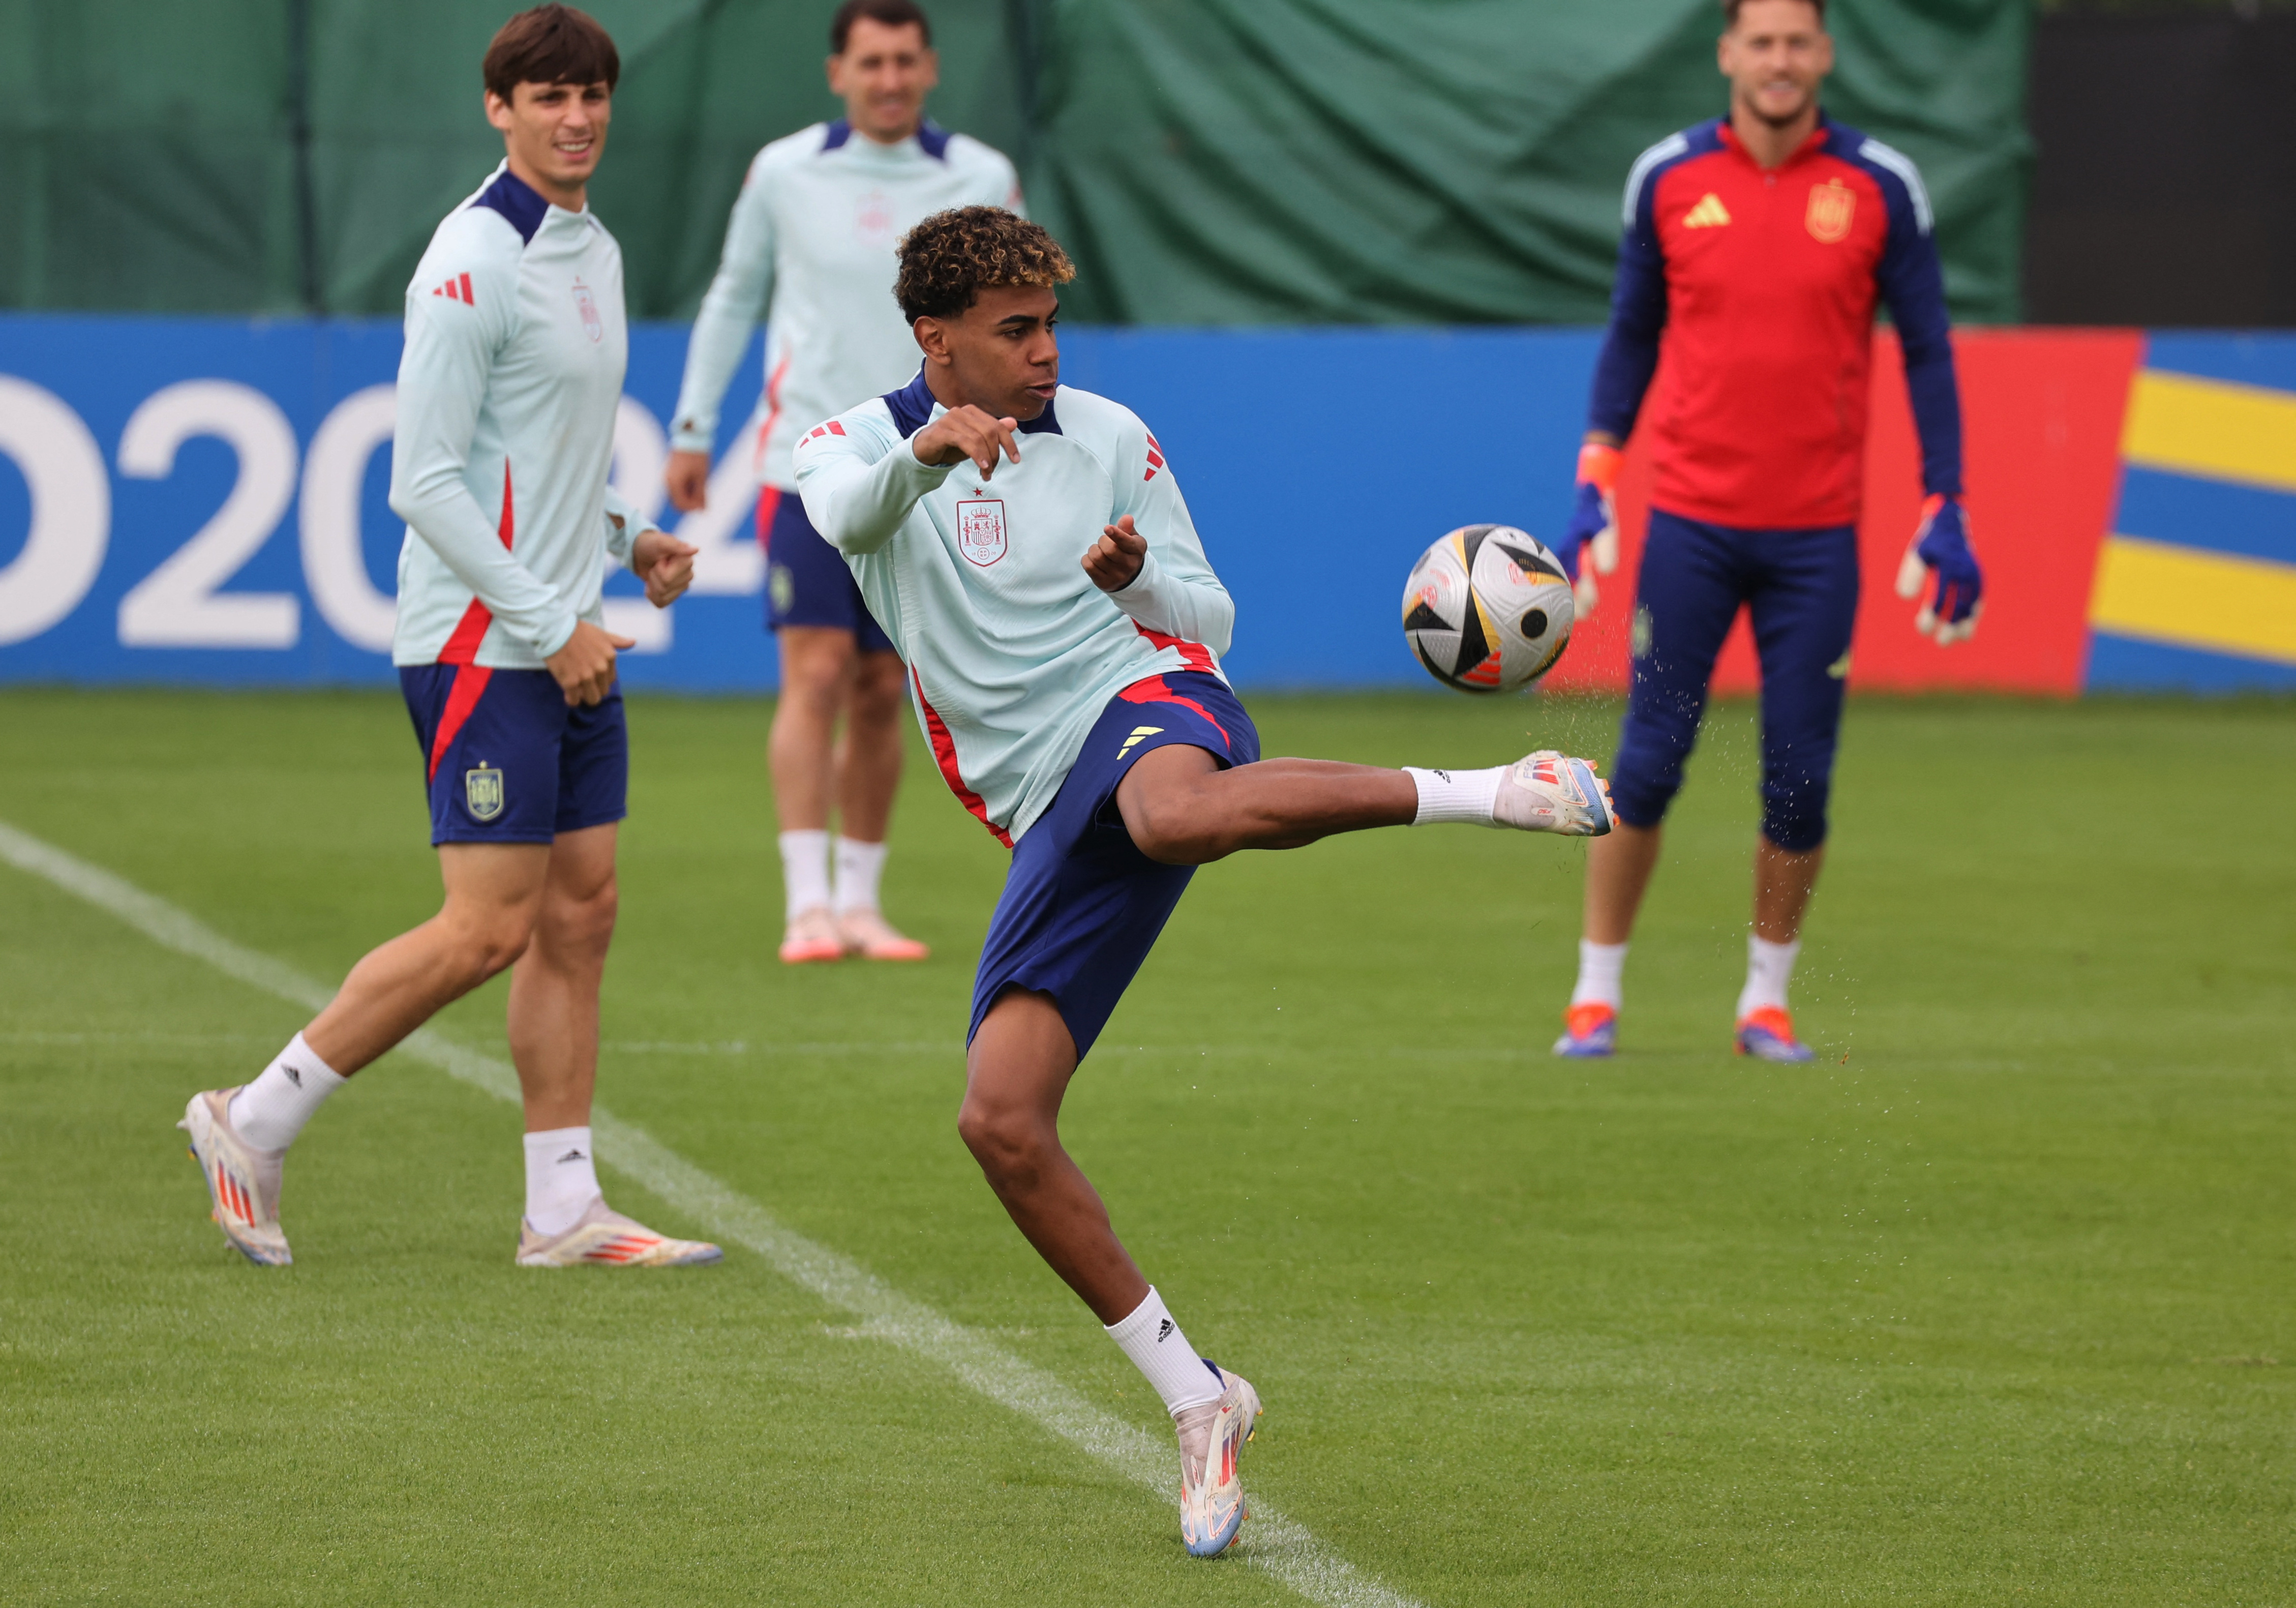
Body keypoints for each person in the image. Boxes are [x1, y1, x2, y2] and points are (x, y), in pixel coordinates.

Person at [795, 205, 1616, 1556]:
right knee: (1000, 1121)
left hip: (1153, 699)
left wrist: (1138, 586)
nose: (1046, 350)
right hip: (1044, 797)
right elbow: (841, 514)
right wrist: (926, 454)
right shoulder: (852, 444)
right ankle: (1200, 1398)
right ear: (936, 341)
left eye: (1051, 322)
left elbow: (1213, 616)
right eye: (1015, 331)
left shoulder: (1111, 437)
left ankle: (1491, 789)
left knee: (1173, 813)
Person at [178, 6, 718, 1270]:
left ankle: (561, 1212)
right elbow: (423, 481)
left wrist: (628, 535)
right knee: (484, 928)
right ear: (500, 109)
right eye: (546, 96)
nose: (575, 115)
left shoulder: (593, 248)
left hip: (558, 627)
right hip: (486, 640)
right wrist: (548, 622)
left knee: (581, 914)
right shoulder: (471, 257)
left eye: (591, 93)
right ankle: (248, 1121)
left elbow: (528, 457)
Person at [1548, 0, 1982, 1064]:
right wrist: (1596, 473)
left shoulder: (1879, 184)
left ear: (1823, 56)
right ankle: (1592, 994)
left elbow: (1926, 351)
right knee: (1645, 765)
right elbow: (1628, 334)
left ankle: (1764, 1001)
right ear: (1727, 55)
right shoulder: (1667, 177)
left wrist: (1946, 503)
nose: (1779, 60)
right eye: (1762, 41)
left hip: (1816, 540)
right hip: (1689, 525)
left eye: (1798, 41)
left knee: (1799, 778)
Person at [666, 0, 1021, 965]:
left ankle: (862, 902)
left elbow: (1013, 321)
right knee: (814, 673)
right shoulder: (786, 171)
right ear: (839, 73)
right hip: (810, 462)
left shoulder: (981, 176)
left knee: (882, 688)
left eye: (906, 60)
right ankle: (806, 904)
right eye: (872, 62)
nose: (891, 79)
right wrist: (694, 427)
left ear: (931, 67)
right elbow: (736, 293)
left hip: (935, 472)